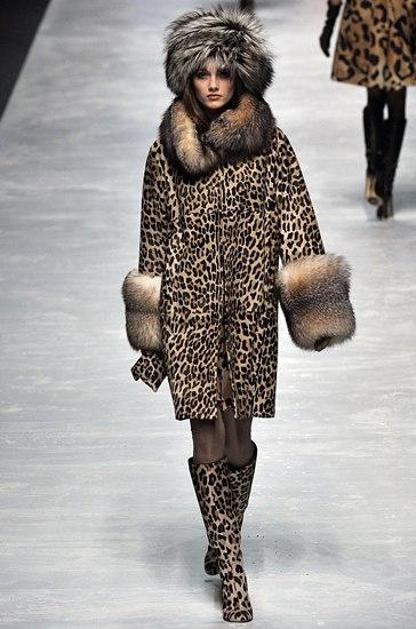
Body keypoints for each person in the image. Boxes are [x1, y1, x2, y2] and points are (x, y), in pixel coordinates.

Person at [122, 1, 356, 623]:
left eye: (223, 71)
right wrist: (151, 335)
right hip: (190, 308)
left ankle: (220, 530)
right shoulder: (165, 152)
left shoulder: (270, 144)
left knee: (239, 437)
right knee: (206, 432)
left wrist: (314, 308)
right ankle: (233, 570)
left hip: (251, 307)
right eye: (201, 72)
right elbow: (151, 242)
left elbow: (298, 221)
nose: (213, 83)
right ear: (186, 76)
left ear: (241, 73)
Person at [319, 0, 416, 219]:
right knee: (395, 106)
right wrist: (328, 26)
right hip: (399, 21)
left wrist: (329, 24)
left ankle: (375, 175)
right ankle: (384, 185)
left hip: (370, 19)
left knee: (377, 101)